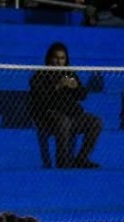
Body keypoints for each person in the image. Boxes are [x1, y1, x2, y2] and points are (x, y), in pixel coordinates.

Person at [29, 41, 101, 169]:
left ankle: (81, 158)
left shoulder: (69, 73)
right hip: (47, 116)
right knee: (64, 121)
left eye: (62, 58)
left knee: (95, 122)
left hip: (72, 115)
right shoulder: (40, 75)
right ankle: (62, 162)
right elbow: (42, 99)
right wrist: (58, 86)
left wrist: (76, 87)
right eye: (55, 58)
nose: (58, 61)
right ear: (49, 58)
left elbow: (82, 95)